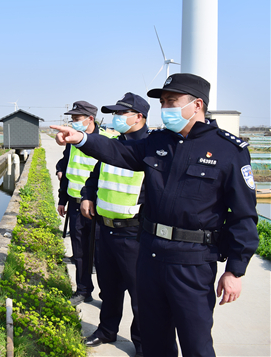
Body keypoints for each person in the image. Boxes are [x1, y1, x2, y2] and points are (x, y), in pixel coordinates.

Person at [50, 73, 259, 357]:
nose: (166, 108)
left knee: (195, 342)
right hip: (150, 255)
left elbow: (243, 216)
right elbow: (117, 151)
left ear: (197, 104)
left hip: (192, 262)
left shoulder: (228, 150)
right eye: (163, 102)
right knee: (154, 340)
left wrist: (236, 268)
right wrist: (83, 138)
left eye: (172, 101)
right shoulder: (158, 142)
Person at [80, 93, 150, 357]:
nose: (116, 118)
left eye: (122, 114)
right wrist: (87, 196)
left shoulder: (151, 148)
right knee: (109, 287)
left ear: (139, 117)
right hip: (105, 229)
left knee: (140, 293)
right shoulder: (113, 145)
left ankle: (142, 344)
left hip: (134, 232)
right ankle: (107, 330)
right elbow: (94, 176)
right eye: (115, 114)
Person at [55, 101, 116, 306]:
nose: (73, 123)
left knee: (101, 255)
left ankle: (108, 296)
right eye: (71, 119)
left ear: (90, 118)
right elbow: (67, 167)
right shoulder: (72, 141)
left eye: (76, 119)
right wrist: (62, 199)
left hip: (98, 207)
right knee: (80, 252)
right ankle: (83, 290)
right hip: (75, 204)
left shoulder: (107, 140)